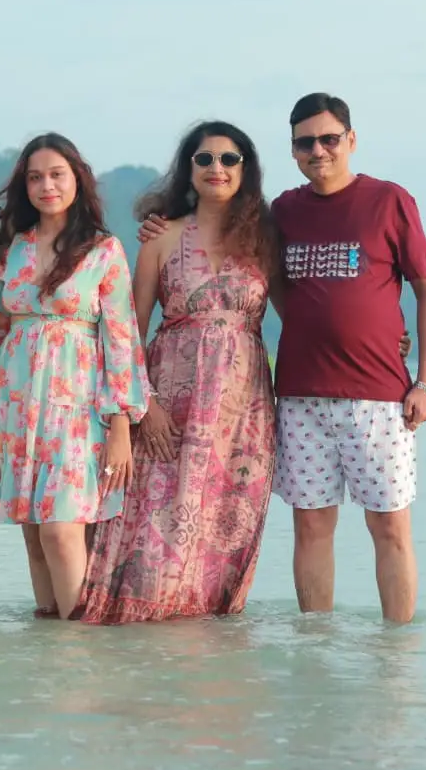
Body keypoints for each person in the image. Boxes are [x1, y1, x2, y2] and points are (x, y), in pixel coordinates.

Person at [138, 93, 426, 624]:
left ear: (351, 140)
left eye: (329, 138)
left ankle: (398, 657)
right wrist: (159, 225)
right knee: (311, 528)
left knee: (390, 528)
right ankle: (316, 649)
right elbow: (271, 288)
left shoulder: (389, 200)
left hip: (380, 395)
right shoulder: (282, 214)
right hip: (297, 397)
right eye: (305, 142)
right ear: (293, 150)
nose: (318, 150)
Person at [79, 121, 278, 625]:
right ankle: (136, 647)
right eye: (204, 159)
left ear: (245, 170)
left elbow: (309, 315)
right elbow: (130, 328)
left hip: (243, 416)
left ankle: (204, 663)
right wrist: (144, 406)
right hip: (168, 402)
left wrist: (393, 342)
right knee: (152, 530)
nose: (216, 168)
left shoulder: (264, 239)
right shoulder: (162, 236)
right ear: (188, 169)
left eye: (229, 159)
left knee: (224, 534)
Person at [0, 132, 150, 621]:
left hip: (79, 407)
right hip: (17, 403)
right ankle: (47, 653)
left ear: (77, 179)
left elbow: (122, 338)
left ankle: (80, 650)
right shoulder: (10, 248)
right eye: (35, 177)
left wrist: (121, 425)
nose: (45, 186)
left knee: (60, 528)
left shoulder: (102, 249)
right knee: (33, 532)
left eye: (56, 174)